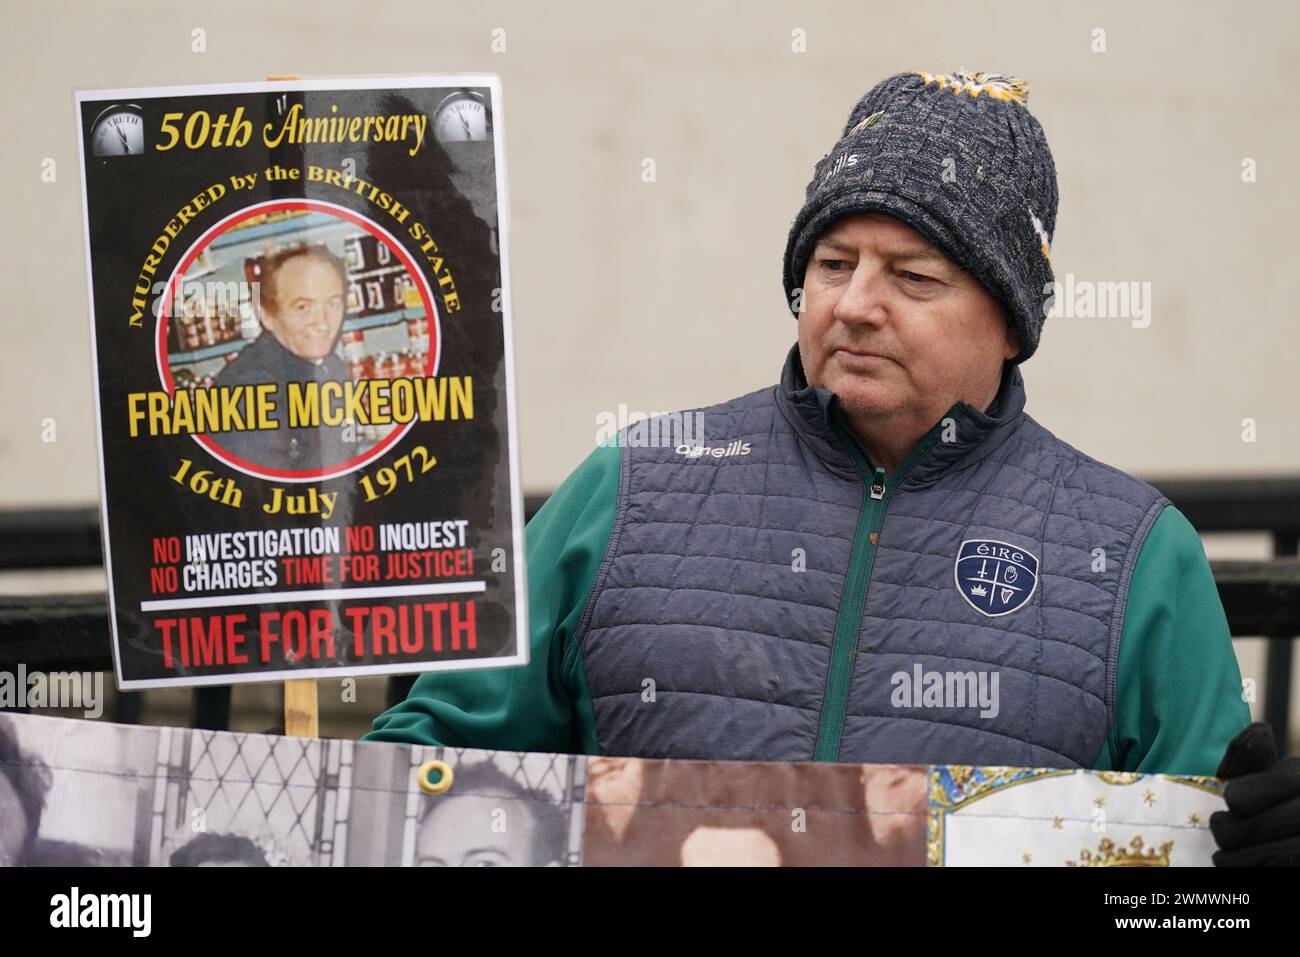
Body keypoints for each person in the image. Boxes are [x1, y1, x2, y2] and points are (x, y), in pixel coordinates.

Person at [365, 69, 1298, 866]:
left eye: (913, 275)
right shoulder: (633, 483)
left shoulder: (1134, 553)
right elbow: (435, 760)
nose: (854, 304)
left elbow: (1195, 883)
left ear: (1012, 323)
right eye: (830, 261)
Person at [209, 243, 354, 472]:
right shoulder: (247, 390)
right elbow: (262, 499)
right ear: (267, 315)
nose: (323, 322)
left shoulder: (332, 368)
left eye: (333, 303)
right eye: (303, 307)